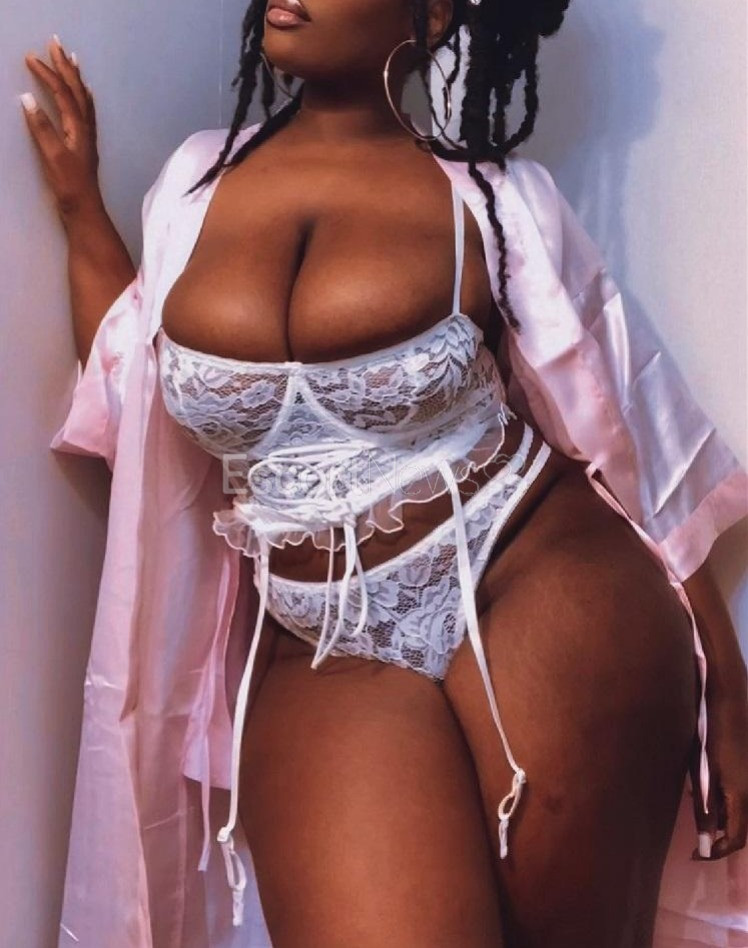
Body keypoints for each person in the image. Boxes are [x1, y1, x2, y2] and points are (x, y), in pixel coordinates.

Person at [21, 2, 748, 945]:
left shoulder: (494, 200)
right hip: (320, 637)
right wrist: (80, 209)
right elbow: (135, 396)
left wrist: (726, 686)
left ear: (432, 13)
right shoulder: (192, 187)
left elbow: (628, 429)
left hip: (535, 579)